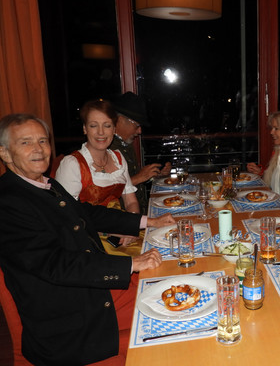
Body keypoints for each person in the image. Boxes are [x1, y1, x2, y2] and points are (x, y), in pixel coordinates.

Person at [0, 113, 175, 365]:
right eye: (26, 142)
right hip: (71, 323)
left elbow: (88, 213)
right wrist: (130, 264)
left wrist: (148, 222)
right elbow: (55, 264)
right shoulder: (8, 202)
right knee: (175, 323)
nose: (38, 149)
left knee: (171, 279)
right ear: (5, 153)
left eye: (42, 141)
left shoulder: (43, 184)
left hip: (91, 291)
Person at [55, 99, 141, 214]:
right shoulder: (72, 164)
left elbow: (131, 202)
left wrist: (132, 223)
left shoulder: (118, 158)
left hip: (120, 223)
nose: (101, 132)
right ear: (85, 129)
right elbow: (67, 215)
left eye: (107, 126)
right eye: (93, 126)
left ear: (114, 129)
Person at [110, 91, 171, 213]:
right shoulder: (106, 147)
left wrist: (154, 175)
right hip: (122, 218)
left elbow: (133, 179)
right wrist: (139, 177)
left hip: (140, 213)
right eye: (137, 125)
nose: (139, 131)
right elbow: (106, 190)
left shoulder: (126, 144)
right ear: (120, 120)